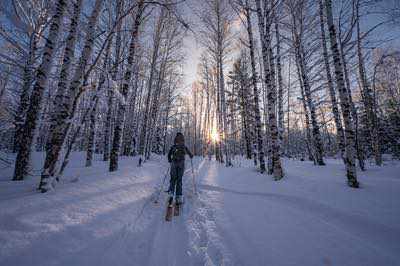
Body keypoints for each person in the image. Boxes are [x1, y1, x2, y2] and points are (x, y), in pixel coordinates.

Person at [167, 132, 193, 204]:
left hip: (174, 163)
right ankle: (178, 197)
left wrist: (169, 159)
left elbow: (169, 153)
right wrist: (191, 155)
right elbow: (189, 153)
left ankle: (171, 194)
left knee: (173, 179)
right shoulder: (183, 145)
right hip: (181, 163)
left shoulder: (174, 145)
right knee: (179, 180)